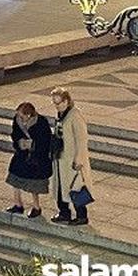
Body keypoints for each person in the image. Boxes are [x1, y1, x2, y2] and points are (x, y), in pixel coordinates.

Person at [49, 87, 93, 226]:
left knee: (75, 187)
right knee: (61, 187)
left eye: (59, 102)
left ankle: (81, 215)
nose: (57, 106)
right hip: (60, 157)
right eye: (54, 103)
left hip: (72, 159)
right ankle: (64, 213)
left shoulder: (75, 116)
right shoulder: (60, 115)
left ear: (67, 101)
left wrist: (79, 159)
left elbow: (81, 139)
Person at [4, 102, 53, 218]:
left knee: (34, 183)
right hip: (21, 154)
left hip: (36, 157)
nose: (19, 118)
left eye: (22, 116)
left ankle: (36, 207)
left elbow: (46, 140)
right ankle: (18, 203)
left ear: (29, 115)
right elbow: (14, 134)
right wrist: (19, 143)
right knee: (15, 177)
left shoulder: (41, 122)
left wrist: (33, 145)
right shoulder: (17, 120)